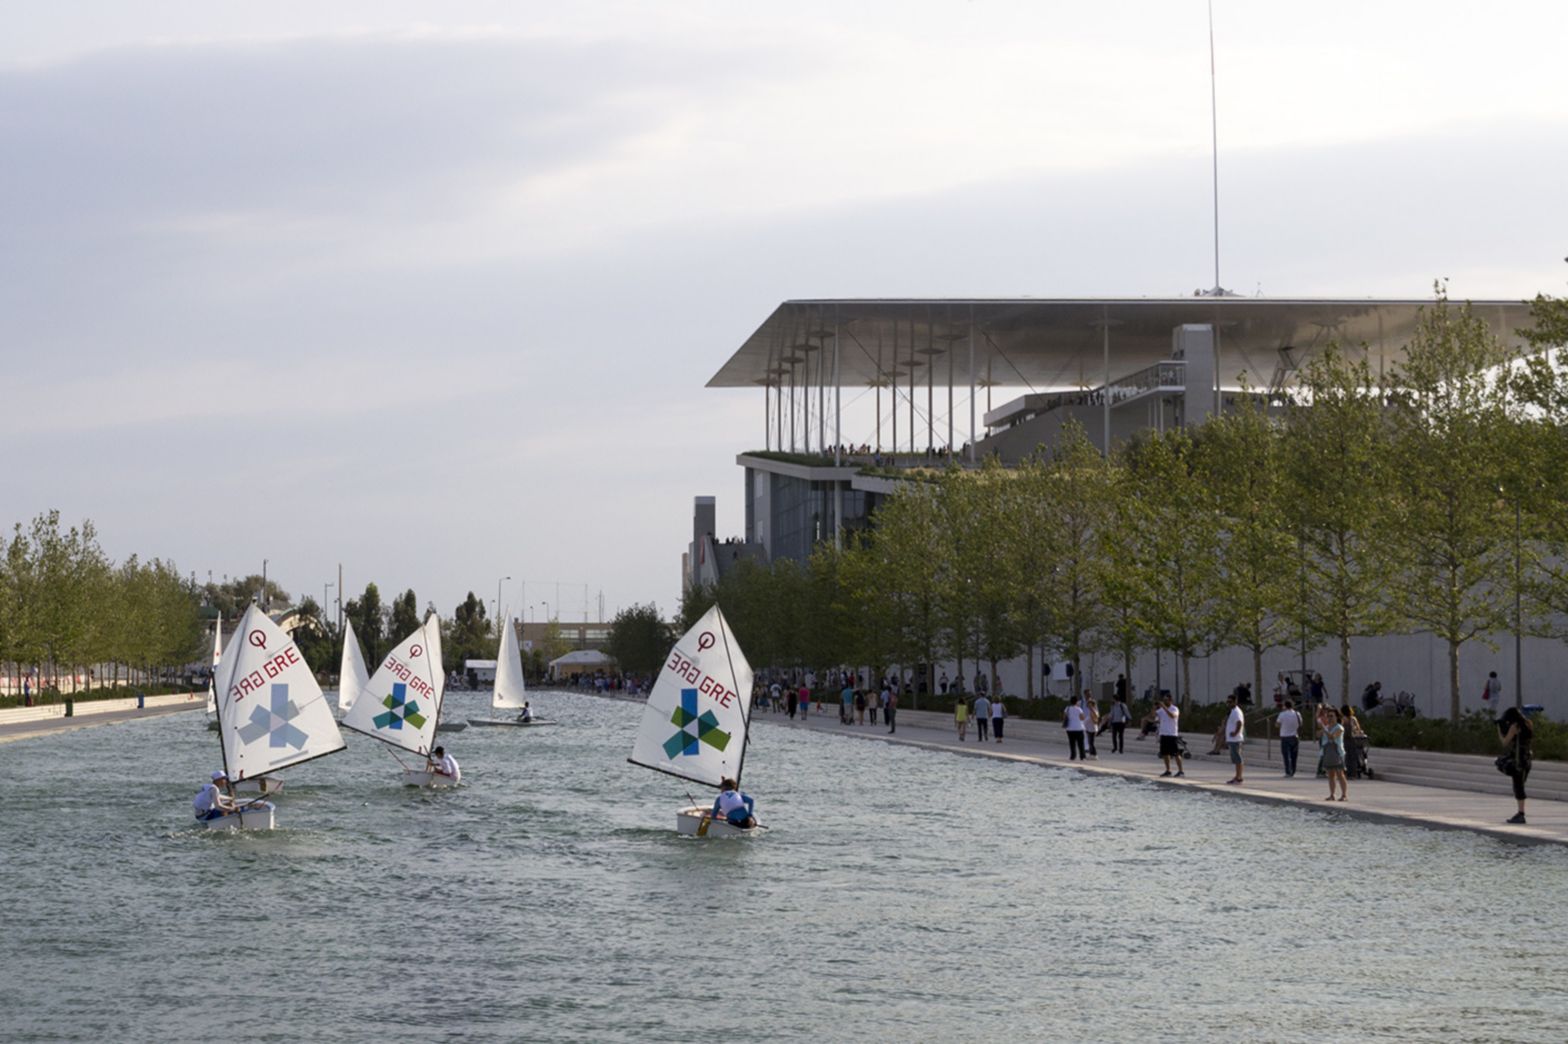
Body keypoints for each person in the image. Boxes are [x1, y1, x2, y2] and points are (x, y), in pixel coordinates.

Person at [1497, 706, 1533, 824]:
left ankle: (1521, 814)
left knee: (1518, 787)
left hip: (1518, 760)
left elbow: (1504, 742)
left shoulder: (1514, 727)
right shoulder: (1528, 724)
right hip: (1527, 758)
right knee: (1520, 785)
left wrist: (1499, 731)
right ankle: (1520, 813)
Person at [1317, 705, 1347, 801]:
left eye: (1332, 716)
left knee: (1340, 773)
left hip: (1337, 752)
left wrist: (1324, 729)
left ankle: (1344, 795)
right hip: (1328, 751)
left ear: (1336, 717)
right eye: (1328, 716)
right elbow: (1319, 734)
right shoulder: (1327, 727)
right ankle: (1332, 794)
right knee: (1331, 774)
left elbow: (1332, 737)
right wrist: (1323, 729)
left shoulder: (1339, 727)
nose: (1329, 718)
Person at [1156, 695, 1184, 778]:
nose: (1164, 702)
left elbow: (1172, 716)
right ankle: (1168, 770)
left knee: (1176, 753)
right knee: (1165, 753)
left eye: (1166, 700)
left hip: (1172, 734)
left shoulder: (1174, 709)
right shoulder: (1161, 710)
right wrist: (1154, 708)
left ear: (1170, 701)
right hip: (1163, 734)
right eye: (1163, 700)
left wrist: (1164, 707)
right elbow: (1154, 717)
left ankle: (1181, 771)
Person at [1277, 699, 1303, 778]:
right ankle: (1293, 770)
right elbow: (1301, 723)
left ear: (1285, 706)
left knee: (1286, 755)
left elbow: (1277, 724)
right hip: (1294, 736)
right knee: (1294, 755)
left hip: (1285, 736)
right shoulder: (1297, 713)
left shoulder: (1282, 714)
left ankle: (1288, 771)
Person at [1224, 693, 1246, 784]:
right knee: (1235, 759)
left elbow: (1239, 723)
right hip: (1231, 739)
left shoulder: (1237, 711)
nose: (1228, 704)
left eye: (1230, 702)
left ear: (1235, 702)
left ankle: (1239, 777)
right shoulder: (1232, 711)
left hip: (1236, 739)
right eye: (1227, 702)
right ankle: (1237, 776)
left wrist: (1235, 732)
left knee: (1238, 758)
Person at [1063, 695, 1087, 760]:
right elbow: (1082, 718)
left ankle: (1073, 756)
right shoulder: (1079, 709)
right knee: (1080, 743)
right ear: (1076, 702)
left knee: (1072, 743)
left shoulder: (1067, 708)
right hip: (1079, 728)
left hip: (1070, 728)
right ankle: (1082, 756)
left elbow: (1064, 717)